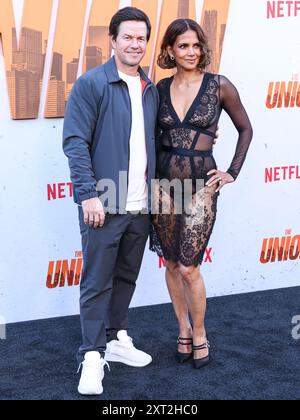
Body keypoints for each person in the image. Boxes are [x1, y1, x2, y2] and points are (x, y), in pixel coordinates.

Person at [63, 7, 159, 395]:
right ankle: (91, 354)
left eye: (141, 38)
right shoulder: (92, 84)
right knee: (96, 282)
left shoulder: (150, 88)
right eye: (128, 37)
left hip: (140, 205)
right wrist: (88, 194)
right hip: (105, 203)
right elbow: (75, 142)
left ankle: (117, 339)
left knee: (126, 278)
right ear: (113, 40)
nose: (135, 44)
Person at [150, 19, 253, 369]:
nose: (191, 52)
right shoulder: (159, 89)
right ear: (169, 50)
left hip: (201, 187)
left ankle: (200, 332)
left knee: (190, 267)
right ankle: (181, 328)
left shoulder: (219, 85)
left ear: (202, 48)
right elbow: (148, 136)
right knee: (172, 263)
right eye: (183, 46)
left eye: (196, 45)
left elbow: (245, 129)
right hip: (163, 186)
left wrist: (231, 173)